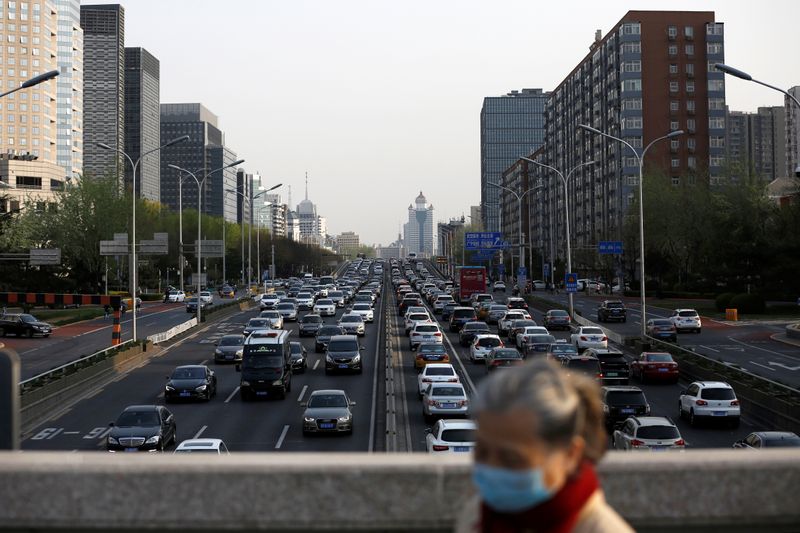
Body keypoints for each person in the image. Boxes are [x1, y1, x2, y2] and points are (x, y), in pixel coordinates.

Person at [456, 359, 633, 533]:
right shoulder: (476, 517)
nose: (491, 469)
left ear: (570, 455)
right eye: (481, 452)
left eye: (511, 459)